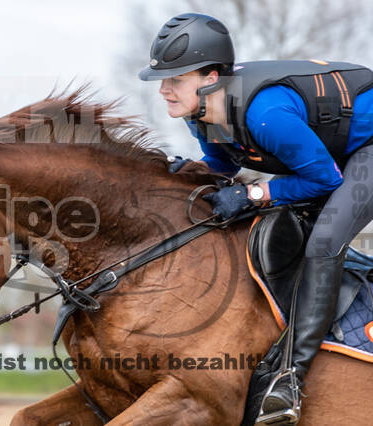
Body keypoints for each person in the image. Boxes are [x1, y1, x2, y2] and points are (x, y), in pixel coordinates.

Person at [138, 12, 373, 424]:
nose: (163, 90)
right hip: (330, 147)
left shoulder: (265, 115)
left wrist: (255, 193)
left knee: (324, 241)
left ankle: (290, 379)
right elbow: (220, 168)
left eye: (175, 80)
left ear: (211, 77)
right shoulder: (203, 116)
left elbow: (324, 178)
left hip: (363, 150)